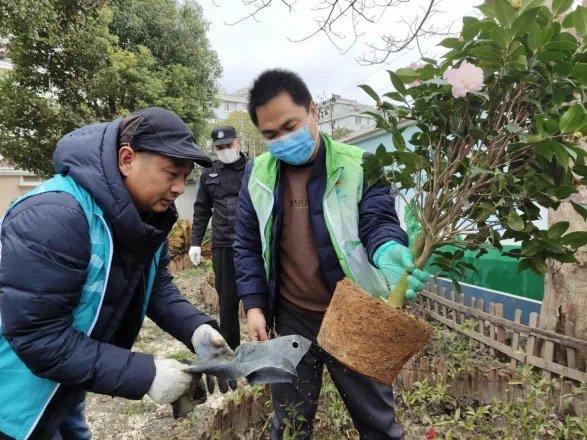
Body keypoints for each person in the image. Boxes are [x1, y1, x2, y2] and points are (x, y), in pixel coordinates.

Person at [0, 108, 234, 440]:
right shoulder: (55, 217)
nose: (181, 188)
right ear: (126, 159)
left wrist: (196, 329)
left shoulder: (145, 218)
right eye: (171, 173)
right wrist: (147, 375)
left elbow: (156, 288)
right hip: (14, 401)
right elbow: (39, 338)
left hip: (65, 383)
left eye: (185, 176)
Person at [233, 69, 430, 439]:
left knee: (378, 424)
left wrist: (388, 247)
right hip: (291, 317)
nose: (282, 139)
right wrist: (255, 305)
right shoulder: (257, 174)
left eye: (290, 125)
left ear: (313, 110)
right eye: (270, 135)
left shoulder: (358, 163)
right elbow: (245, 243)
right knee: (290, 423)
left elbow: (377, 220)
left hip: (354, 313)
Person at [189, 126, 248, 350]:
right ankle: (231, 351)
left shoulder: (254, 169)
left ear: (238, 143)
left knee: (263, 298)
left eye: (229, 145)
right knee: (227, 303)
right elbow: (202, 210)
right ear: (214, 148)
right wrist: (195, 241)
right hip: (223, 246)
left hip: (252, 245)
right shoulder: (209, 174)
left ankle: (266, 348)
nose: (225, 150)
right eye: (219, 147)